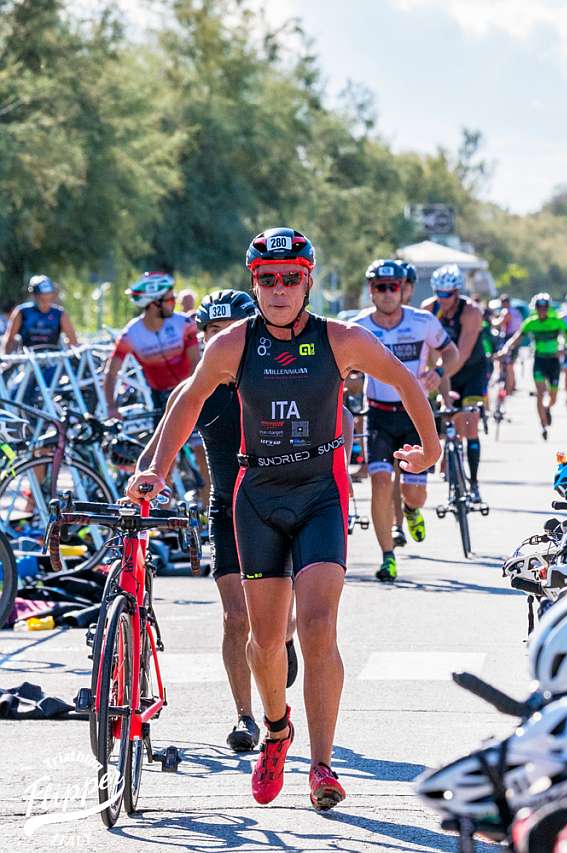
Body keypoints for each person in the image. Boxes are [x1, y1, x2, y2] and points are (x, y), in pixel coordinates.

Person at [126, 227, 441, 812]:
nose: (278, 289)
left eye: (290, 278)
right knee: (265, 639)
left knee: (318, 624)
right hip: (258, 497)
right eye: (267, 279)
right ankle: (276, 728)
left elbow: (402, 380)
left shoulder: (341, 340)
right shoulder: (233, 345)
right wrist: (158, 471)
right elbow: (188, 401)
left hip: (321, 492)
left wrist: (431, 448)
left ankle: (322, 766)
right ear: (255, 282)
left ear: (308, 281)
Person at [136, 289, 298, 753]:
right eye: (210, 333)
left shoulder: (279, 377)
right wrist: (145, 478)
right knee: (235, 617)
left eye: (227, 332)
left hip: (279, 511)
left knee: (281, 625)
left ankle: (283, 643)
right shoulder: (197, 389)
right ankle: (245, 717)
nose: (219, 340)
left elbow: (334, 418)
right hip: (227, 510)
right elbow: (157, 447)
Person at [355, 259, 458, 582]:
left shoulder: (423, 322)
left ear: (404, 290)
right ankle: (388, 557)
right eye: (379, 287)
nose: (386, 293)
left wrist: (438, 373)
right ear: (371, 291)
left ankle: (411, 511)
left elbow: (451, 353)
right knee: (380, 482)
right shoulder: (358, 327)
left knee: (414, 494)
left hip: (415, 415)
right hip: (378, 415)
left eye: (393, 287)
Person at [422, 264, 487, 503]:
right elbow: (427, 351)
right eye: (438, 293)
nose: (442, 299)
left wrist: (441, 375)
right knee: (448, 416)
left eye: (447, 294)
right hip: (444, 368)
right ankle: (448, 455)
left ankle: (474, 482)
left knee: (470, 423)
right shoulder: (428, 309)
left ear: (457, 292)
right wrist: (436, 378)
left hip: (471, 369)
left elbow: (463, 353)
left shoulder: (471, 311)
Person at [104, 272, 199, 421]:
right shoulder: (131, 334)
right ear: (154, 304)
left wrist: (190, 393)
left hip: (190, 390)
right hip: (159, 398)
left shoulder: (184, 324)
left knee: (198, 444)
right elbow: (111, 372)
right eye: (170, 299)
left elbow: (195, 362)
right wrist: (111, 407)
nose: (174, 302)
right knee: (165, 444)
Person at [496, 293, 567, 441]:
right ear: (536, 308)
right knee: (540, 392)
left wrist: (565, 349)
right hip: (539, 360)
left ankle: (548, 408)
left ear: (548, 308)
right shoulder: (531, 322)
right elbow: (517, 337)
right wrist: (506, 348)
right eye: (539, 307)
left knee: (553, 397)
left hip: (554, 362)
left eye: (544, 307)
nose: (542, 310)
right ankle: (543, 425)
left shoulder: (557, 322)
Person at [3, 275, 79, 353]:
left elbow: (73, 340)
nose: (47, 304)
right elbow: (10, 338)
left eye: (50, 299)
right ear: (33, 296)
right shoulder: (22, 312)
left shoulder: (60, 313)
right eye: (42, 300)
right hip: (28, 359)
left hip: (54, 359)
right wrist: (7, 359)